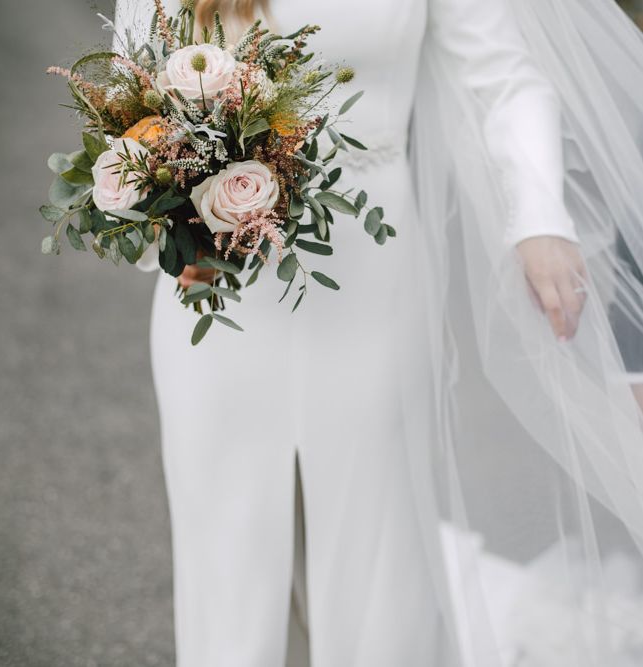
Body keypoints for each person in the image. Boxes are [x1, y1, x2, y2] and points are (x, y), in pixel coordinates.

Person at [112, 0, 643, 665]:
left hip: (371, 275)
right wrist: (161, 224)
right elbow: (128, 104)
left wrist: (538, 216)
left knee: (375, 548)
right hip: (218, 288)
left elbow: (504, 75)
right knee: (226, 554)